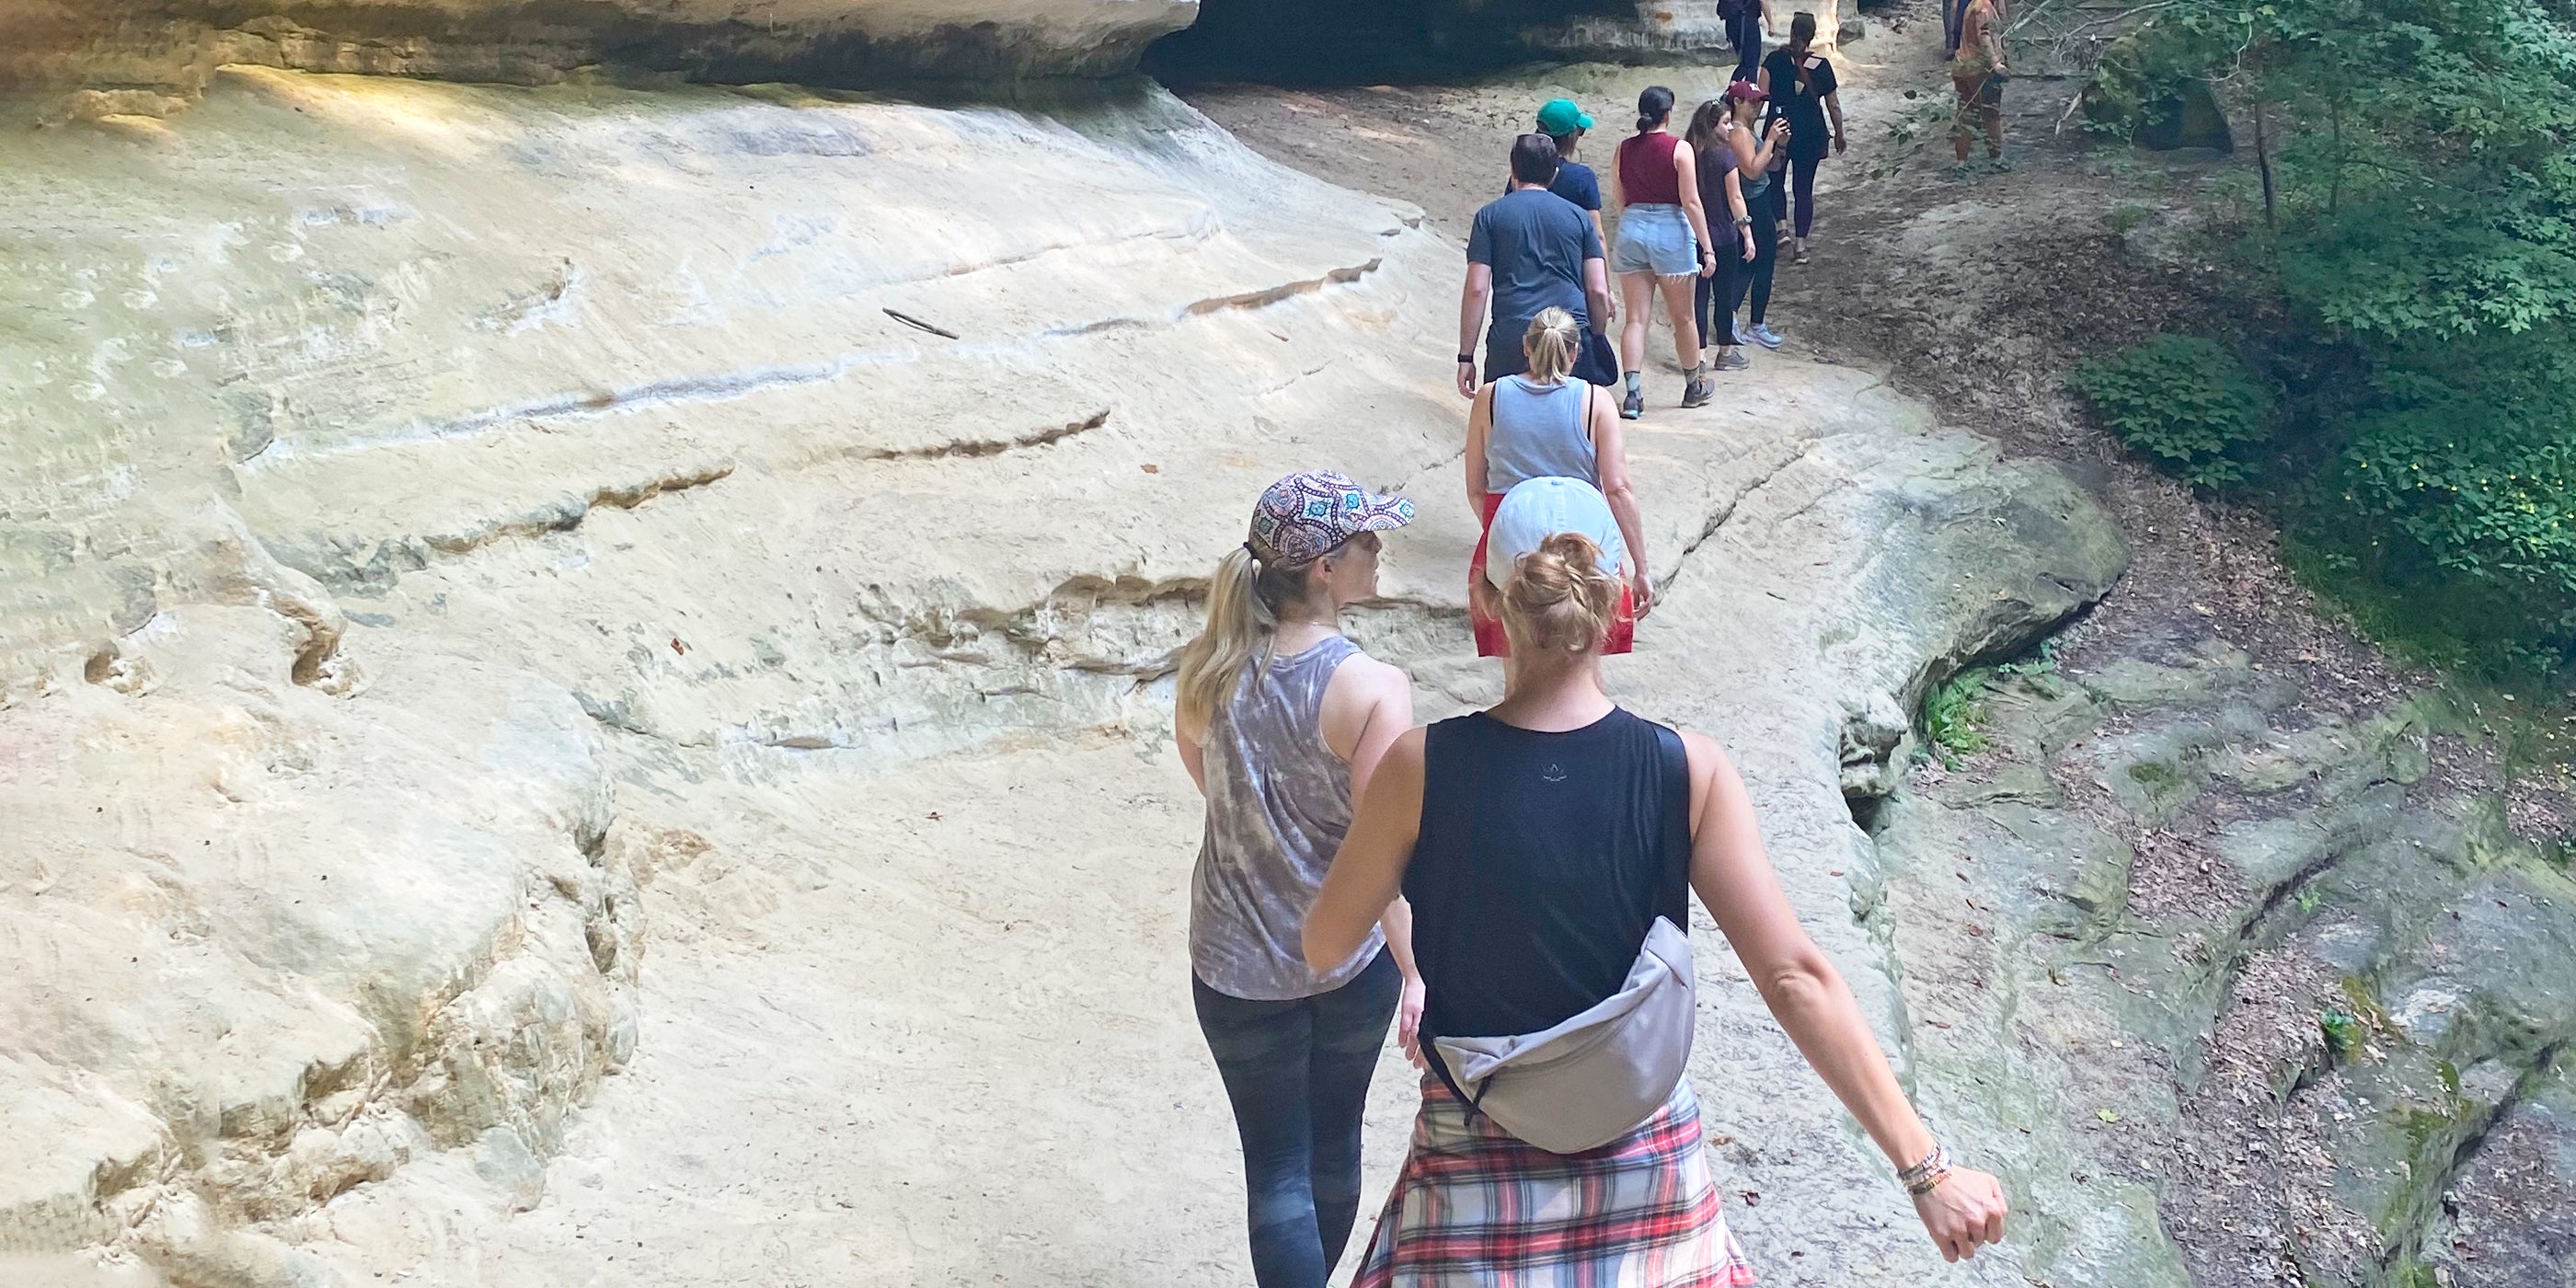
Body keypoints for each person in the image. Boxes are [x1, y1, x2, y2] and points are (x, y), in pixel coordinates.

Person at [1305, 477, 2015, 1285]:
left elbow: (1326, 943)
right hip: (1646, 1170)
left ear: (1486, 600)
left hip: (1472, 1167)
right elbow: (1793, 977)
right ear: (1621, 601)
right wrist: (1928, 1173)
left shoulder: (1418, 768)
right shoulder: (1689, 772)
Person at [1174, 470, 1429, 1288]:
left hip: (1234, 963)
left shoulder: (1207, 669)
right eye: (1365, 540)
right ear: (1323, 567)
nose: (1379, 550)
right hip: (1349, 960)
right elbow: (1385, 852)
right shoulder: (1371, 688)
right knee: (1334, 1144)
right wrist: (1420, 968)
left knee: (1275, 1166)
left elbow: (1212, 787)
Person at [1463, 309, 1652, 659]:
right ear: (1575, 353)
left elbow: (1476, 488)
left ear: (1525, 347)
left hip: (1510, 526)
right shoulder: (1596, 401)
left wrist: (1502, 529)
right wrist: (1641, 568)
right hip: (1581, 537)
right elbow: (1617, 488)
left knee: (1517, 648)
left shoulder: (1489, 398)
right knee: (1582, 640)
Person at [1460, 134, 1617, 399]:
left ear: (1513, 170)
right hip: (1568, 335)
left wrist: (1466, 356)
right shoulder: (1579, 218)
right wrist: (1596, 336)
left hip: (1512, 337)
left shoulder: (1489, 216)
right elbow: (1598, 289)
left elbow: (1477, 289)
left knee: (1504, 425)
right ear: (1554, 174)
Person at [1610, 87, 1721, 420]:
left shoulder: (1623, 148)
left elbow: (1619, 197)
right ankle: (1693, 386)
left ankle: (1632, 395)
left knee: (1636, 318)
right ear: (1668, 114)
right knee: (1683, 317)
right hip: (1670, 231)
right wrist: (1707, 248)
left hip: (1632, 228)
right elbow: (1690, 202)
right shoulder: (1680, 149)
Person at [1758, 11, 1846, 266]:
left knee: (1774, 180)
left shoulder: (1773, 60)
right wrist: (1839, 134)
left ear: (1792, 32)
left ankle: (1782, 228)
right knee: (1803, 188)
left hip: (1779, 127)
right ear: (1812, 36)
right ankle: (1800, 246)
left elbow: (1760, 95)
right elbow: (1833, 105)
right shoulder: (1821, 64)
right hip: (1810, 131)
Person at [1684, 98, 1760, 374]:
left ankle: (1699, 355)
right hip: (1724, 235)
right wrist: (1748, 234)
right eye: (1725, 123)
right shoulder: (1725, 156)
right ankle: (1725, 352)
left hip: (1693, 236)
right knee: (1724, 295)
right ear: (1712, 125)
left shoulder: (1687, 153)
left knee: (1699, 298)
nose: (1730, 129)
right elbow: (1736, 197)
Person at [1720, 81, 1790, 350]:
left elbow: (1768, 166)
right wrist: (1771, 139)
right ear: (1737, 102)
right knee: (1760, 262)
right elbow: (1751, 170)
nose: (1758, 106)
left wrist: (1779, 146)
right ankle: (1752, 323)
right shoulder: (1738, 133)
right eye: (1752, 101)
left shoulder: (1747, 131)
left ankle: (1737, 318)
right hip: (1751, 201)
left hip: (1758, 197)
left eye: (1760, 101)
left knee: (1752, 263)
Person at [1952, 0, 2007, 165]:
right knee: (1991, 113)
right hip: (1980, 68)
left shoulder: (1971, 5)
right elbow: (1984, 37)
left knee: (1966, 114)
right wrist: (1995, 63)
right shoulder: (1984, 7)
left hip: (1962, 65)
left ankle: (1961, 161)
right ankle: (1996, 159)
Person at [1720, 0, 1775, 85]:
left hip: (1731, 22)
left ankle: (1731, 90)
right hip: (1747, 20)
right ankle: (1750, 94)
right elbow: (1763, 1)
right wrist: (1770, 23)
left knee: (1745, 62)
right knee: (1752, 64)